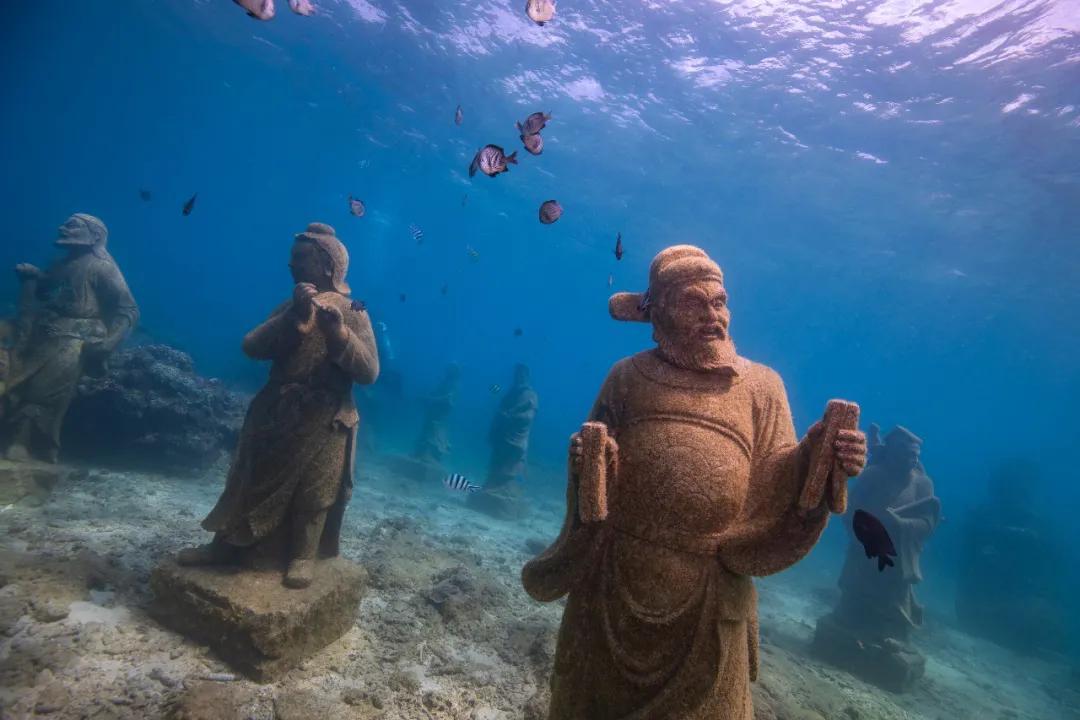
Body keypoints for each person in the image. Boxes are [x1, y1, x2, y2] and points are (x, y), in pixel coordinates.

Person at [522, 245, 866, 719]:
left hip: (709, 593)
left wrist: (821, 458)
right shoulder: (627, 377)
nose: (712, 315)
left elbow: (775, 480)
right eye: (693, 302)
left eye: (719, 302)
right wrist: (589, 461)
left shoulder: (762, 387)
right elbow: (594, 468)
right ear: (660, 311)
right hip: (614, 580)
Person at [177, 222, 379, 589]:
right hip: (276, 411)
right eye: (292, 257)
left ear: (327, 265)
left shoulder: (355, 309)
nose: (291, 265)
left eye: (300, 258)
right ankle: (224, 545)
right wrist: (293, 318)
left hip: (326, 416)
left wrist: (339, 334)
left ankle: (303, 554)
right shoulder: (290, 306)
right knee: (246, 480)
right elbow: (251, 346)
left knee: (316, 490)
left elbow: (369, 372)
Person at [1, 214, 138, 462]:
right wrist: (35, 278)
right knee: (18, 379)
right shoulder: (61, 264)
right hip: (43, 332)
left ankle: (28, 441)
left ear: (95, 236)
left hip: (75, 337)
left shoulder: (102, 267)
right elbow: (47, 292)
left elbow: (128, 308)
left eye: (72, 225)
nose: (62, 228)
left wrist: (110, 342)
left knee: (44, 389)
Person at [469, 363, 539, 518]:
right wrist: (497, 424)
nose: (518, 377)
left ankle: (505, 488)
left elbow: (529, 416)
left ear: (526, 376)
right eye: (516, 374)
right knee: (496, 460)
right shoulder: (510, 393)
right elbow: (500, 410)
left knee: (508, 463)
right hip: (502, 434)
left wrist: (512, 416)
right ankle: (492, 484)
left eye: (521, 374)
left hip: (515, 437)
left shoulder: (530, 395)